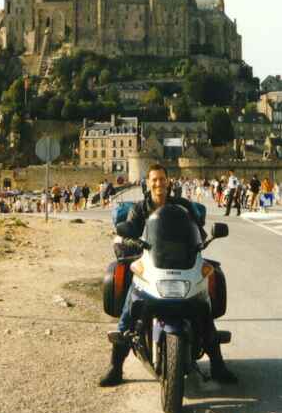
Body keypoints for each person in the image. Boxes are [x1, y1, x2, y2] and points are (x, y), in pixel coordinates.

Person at [99, 163, 238, 387]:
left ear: (168, 181)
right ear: (148, 183)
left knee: (203, 309)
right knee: (129, 309)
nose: (158, 184)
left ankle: (218, 366)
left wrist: (203, 241)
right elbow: (129, 232)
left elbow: (198, 235)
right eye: (154, 180)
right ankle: (116, 368)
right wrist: (132, 241)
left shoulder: (182, 207)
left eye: (162, 179)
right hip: (151, 264)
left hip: (182, 264)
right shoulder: (139, 209)